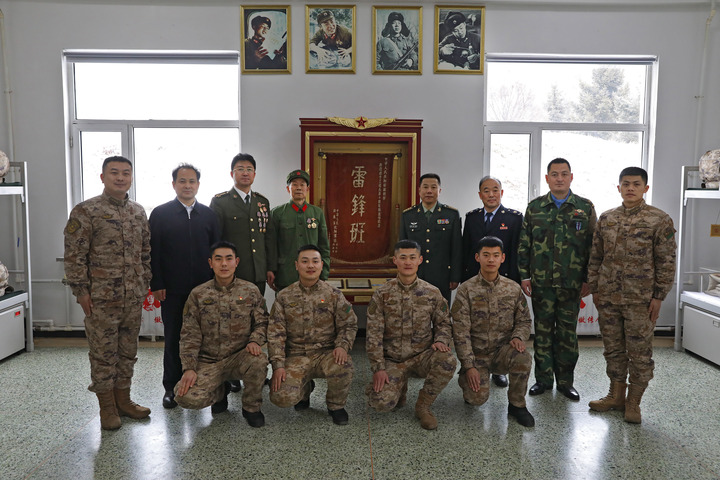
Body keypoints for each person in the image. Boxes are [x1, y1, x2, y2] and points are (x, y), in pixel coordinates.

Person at [63, 155, 151, 431]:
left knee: (128, 351)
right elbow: (74, 255)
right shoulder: (86, 211)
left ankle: (123, 400)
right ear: (103, 177)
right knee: (103, 354)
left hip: (132, 297)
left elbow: (145, 252)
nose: (120, 178)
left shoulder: (138, 212)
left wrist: (144, 283)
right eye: (114, 172)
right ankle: (107, 408)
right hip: (101, 299)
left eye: (126, 173)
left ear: (131, 178)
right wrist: (81, 291)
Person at [587, 167, 676, 424]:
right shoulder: (607, 218)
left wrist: (659, 296)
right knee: (613, 349)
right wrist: (595, 288)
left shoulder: (659, 220)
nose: (630, 188)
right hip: (609, 297)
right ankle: (615, 396)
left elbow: (666, 261)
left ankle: (633, 402)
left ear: (645, 188)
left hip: (641, 300)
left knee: (640, 353)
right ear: (618, 188)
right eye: (626, 184)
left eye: (636, 184)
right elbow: (596, 256)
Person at [518, 158, 596, 401]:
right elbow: (525, 244)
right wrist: (524, 276)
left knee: (567, 335)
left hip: (572, 283)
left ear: (571, 177)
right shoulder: (535, 208)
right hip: (542, 283)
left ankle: (565, 382)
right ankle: (543, 380)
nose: (559, 178)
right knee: (542, 333)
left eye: (564, 174)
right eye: (554, 174)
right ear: (547, 178)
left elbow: (593, 247)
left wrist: (589, 279)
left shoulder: (584, 207)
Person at [174, 241, 269, 428]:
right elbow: (189, 334)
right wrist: (189, 368)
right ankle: (219, 392)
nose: (224, 264)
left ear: (236, 262)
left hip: (239, 357)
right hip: (209, 361)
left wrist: (255, 341)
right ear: (211, 263)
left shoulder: (250, 291)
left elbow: (263, 322)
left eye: (228, 259)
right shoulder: (198, 294)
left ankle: (251, 408)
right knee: (184, 397)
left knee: (259, 361)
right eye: (218, 259)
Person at [365, 240, 457, 430]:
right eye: (403, 258)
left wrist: (441, 340)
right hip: (393, 359)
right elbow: (373, 333)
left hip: (421, 356)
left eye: (412, 257)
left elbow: (444, 323)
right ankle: (399, 387)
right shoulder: (382, 294)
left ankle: (423, 406)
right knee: (381, 403)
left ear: (420, 260)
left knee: (447, 360)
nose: (408, 262)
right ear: (395, 260)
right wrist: (378, 368)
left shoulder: (432, 292)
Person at [149, 164, 220, 409]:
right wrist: (157, 283)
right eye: (182, 181)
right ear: (174, 184)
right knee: (174, 337)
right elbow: (153, 251)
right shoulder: (160, 214)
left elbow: (217, 252)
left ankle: (202, 384)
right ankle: (171, 387)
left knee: (206, 338)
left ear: (198, 185)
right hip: (172, 289)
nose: (187, 185)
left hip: (205, 290)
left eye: (192, 181)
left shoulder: (209, 215)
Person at [268, 244, 358, 425]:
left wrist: (342, 345)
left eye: (315, 261)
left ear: (321, 265)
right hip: (296, 355)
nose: (310, 266)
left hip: (326, 354)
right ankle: (304, 390)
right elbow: (275, 333)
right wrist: (278, 365)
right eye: (305, 261)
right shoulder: (284, 296)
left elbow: (349, 324)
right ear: (296, 265)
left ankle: (336, 406)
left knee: (344, 366)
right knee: (281, 397)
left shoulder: (333, 294)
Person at [452, 236, 534, 427]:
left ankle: (517, 405)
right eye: (486, 255)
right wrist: (469, 365)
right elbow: (460, 332)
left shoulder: (513, 288)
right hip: (476, 355)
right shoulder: (466, 290)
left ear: (502, 258)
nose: (491, 259)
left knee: (523, 357)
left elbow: (524, 320)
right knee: (476, 399)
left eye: (496, 255)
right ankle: (468, 377)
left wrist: (518, 337)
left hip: (502, 352)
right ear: (477, 257)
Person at [211, 153, 273, 392]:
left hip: (257, 273)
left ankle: (254, 370)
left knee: (255, 321)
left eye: (249, 169)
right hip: (233, 275)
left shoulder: (262, 201)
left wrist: (269, 268)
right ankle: (232, 374)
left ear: (254, 174)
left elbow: (266, 238)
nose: (245, 172)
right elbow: (216, 239)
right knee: (232, 324)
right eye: (240, 168)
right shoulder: (221, 202)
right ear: (232, 173)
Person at [461, 176, 523, 388]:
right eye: (486, 191)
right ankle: (474, 364)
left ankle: (499, 370)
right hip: (476, 281)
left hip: (503, 282)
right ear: (480, 195)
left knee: (502, 324)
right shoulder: (472, 218)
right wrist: (464, 278)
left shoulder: (514, 218)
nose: (491, 194)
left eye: (495, 190)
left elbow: (515, 252)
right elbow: (467, 249)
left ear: (501, 193)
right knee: (477, 324)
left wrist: (515, 280)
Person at [399, 173, 462, 304]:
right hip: (415, 276)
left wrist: (455, 276)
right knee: (415, 311)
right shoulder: (408, 215)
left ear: (439, 190)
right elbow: (402, 248)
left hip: (442, 276)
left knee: (441, 312)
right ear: (419, 190)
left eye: (433, 187)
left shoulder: (451, 214)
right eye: (425, 187)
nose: (429, 191)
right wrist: (403, 273)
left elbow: (457, 248)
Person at [269, 169, 330, 291]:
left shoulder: (317, 213)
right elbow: (271, 246)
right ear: (288, 189)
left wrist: (324, 273)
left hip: (312, 274)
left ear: (307, 189)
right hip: (286, 274)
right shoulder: (277, 213)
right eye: (294, 184)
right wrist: (271, 269)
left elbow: (324, 245)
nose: (298, 188)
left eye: (302, 185)